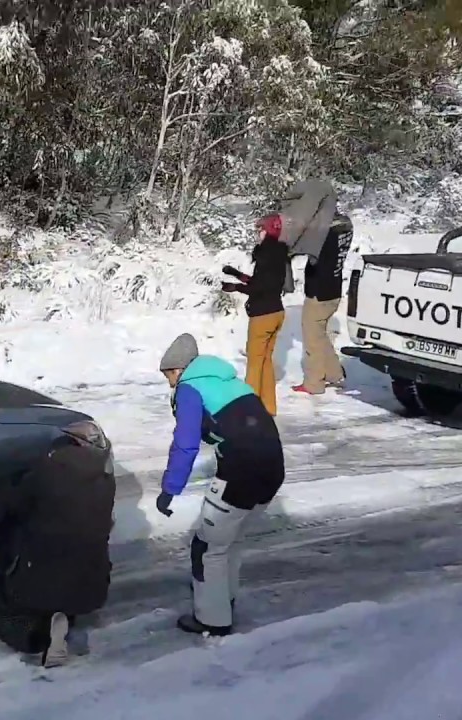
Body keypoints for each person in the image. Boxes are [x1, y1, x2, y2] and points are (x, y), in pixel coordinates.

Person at [154, 333, 285, 636]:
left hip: (240, 473)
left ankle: (212, 620)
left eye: (170, 374)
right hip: (273, 469)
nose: (170, 383)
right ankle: (224, 599)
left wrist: (170, 488)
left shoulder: (190, 388)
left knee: (207, 547)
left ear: (181, 368)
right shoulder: (230, 382)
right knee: (231, 538)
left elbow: (185, 444)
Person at [0, 432, 115, 667]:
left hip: (39, 579)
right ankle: (61, 617)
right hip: (91, 584)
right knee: (63, 584)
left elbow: (6, 506)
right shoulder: (106, 479)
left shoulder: (45, 474)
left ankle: (39, 639)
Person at [221, 214, 290, 416]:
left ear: (267, 230)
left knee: (254, 362)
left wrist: (236, 287)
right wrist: (237, 275)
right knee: (266, 361)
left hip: (262, 314)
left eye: (260, 229)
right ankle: (268, 407)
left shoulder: (265, 253)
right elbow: (267, 282)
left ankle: (249, 410)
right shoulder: (279, 252)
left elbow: (260, 287)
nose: (257, 233)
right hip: (277, 311)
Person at [294, 211, 354, 395]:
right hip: (333, 289)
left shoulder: (322, 238)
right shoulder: (344, 228)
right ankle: (334, 374)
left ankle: (314, 383)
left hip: (318, 293)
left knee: (312, 340)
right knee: (320, 335)